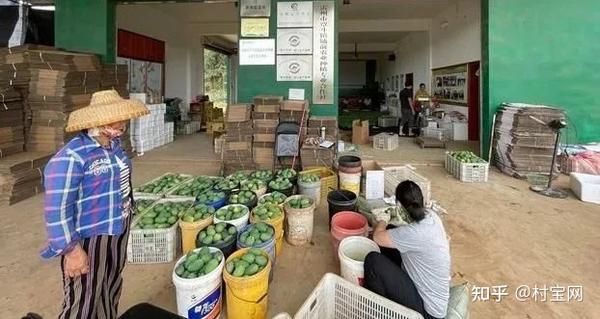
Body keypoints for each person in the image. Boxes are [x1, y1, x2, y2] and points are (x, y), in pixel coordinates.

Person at [41, 90, 149, 319]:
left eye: (122, 118)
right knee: (84, 299)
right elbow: (56, 209)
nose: (122, 123)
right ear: (97, 122)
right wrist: (71, 250)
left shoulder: (114, 146)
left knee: (110, 286)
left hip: (117, 229)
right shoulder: (72, 157)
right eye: (115, 118)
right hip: (90, 237)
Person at [364, 181, 450, 319]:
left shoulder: (415, 233)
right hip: (423, 288)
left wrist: (383, 220)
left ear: (400, 207)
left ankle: (376, 310)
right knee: (392, 231)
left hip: (427, 312)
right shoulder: (431, 216)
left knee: (373, 261)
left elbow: (377, 237)